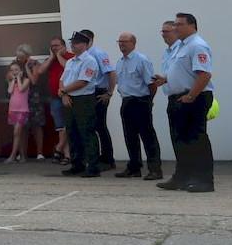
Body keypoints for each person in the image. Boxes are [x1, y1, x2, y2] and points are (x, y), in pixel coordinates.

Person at [153, 13, 215, 193]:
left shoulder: (197, 45)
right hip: (178, 97)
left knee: (197, 139)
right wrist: (165, 79)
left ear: (192, 26)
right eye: (174, 25)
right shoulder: (180, 46)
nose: (175, 28)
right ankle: (181, 177)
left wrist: (191, 96)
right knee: (180, 140)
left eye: (179, 24)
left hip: (194, 98)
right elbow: (183, 71)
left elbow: (204, 75)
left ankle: (204, 180)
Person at [114, 32, 160, 180]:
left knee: (147, 137)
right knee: (130, 137)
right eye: (119, 42)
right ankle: (134, 167)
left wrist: (148, 101)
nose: (122, 44)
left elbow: (152, 84)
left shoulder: (141, 60)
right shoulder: (120, 62)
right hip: (126, 101)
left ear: (133, 43)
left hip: (140, 101)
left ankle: (155, 169)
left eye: (125, 42)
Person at [58, 31, 102, 178]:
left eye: (76, 43)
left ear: (84, 44)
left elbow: (83, 81)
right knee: (72, 132)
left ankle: (93, 166)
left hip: (84, 99)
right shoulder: (70, 62)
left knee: (87, 132)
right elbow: (62, 79)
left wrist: (64, 91)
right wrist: (64, 93)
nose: (73, 46)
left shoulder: (89, 61)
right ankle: (77, 164)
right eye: (72, 43)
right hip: (69, 99)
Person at [80, 29, 119, 170]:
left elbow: (111, 73)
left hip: (99, 92)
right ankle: (96, 157)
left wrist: (109, 93)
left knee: (100, 126)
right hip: (88, 93)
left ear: (90, 40)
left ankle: (108, 158)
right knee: (92, 126)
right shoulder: (84, 56)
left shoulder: (98, 53)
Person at [32, 37, 75, 163]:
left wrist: (59, 56)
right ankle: (67, 155)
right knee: (61, 126)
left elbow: (68, 67)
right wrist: (52, 57)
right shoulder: (50, 59)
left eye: (57, 45)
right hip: (55, 97)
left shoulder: (71, 57)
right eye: (52, 46)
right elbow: (40, 70)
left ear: (63, 46)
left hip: (69, 95)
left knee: (69, 125)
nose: (54, 48)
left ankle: (59, 149)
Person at [151, 20, 182, 180]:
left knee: (185, 138)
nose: (163, 34)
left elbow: (181, 74)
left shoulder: (181, 50)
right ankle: (181, 173)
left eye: (167, 31)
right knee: (176, 137)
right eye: (162, 31)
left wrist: (166, 78)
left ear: (176, 32)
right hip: (172, 97)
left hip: (184, 96)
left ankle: (187, 173)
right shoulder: (167, 52)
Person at [13, 45, 47, 160]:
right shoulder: (15, 64)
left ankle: (40, 153)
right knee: (21, 125)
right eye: (18, 57)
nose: (19, 59)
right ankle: (22, 153)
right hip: (20, 97)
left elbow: (34, 80)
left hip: (33, 97)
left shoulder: (34, 64)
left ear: (27, 56)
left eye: (22, 57)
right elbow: (9, 76)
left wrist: (27, 67)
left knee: (37, 125)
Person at [4, 62, 31, 163]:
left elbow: (21, 89)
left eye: (16, 70)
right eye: (12, 70)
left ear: (21, 71)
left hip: (22, 110)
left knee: (17, 132)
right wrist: (12, 81)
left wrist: (18, 78)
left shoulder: (26, 80)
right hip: (12, 109)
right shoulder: (11, 81)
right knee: (18, 134)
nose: (14, 72)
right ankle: (22, 155)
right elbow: (10, 91)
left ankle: (12, 156)